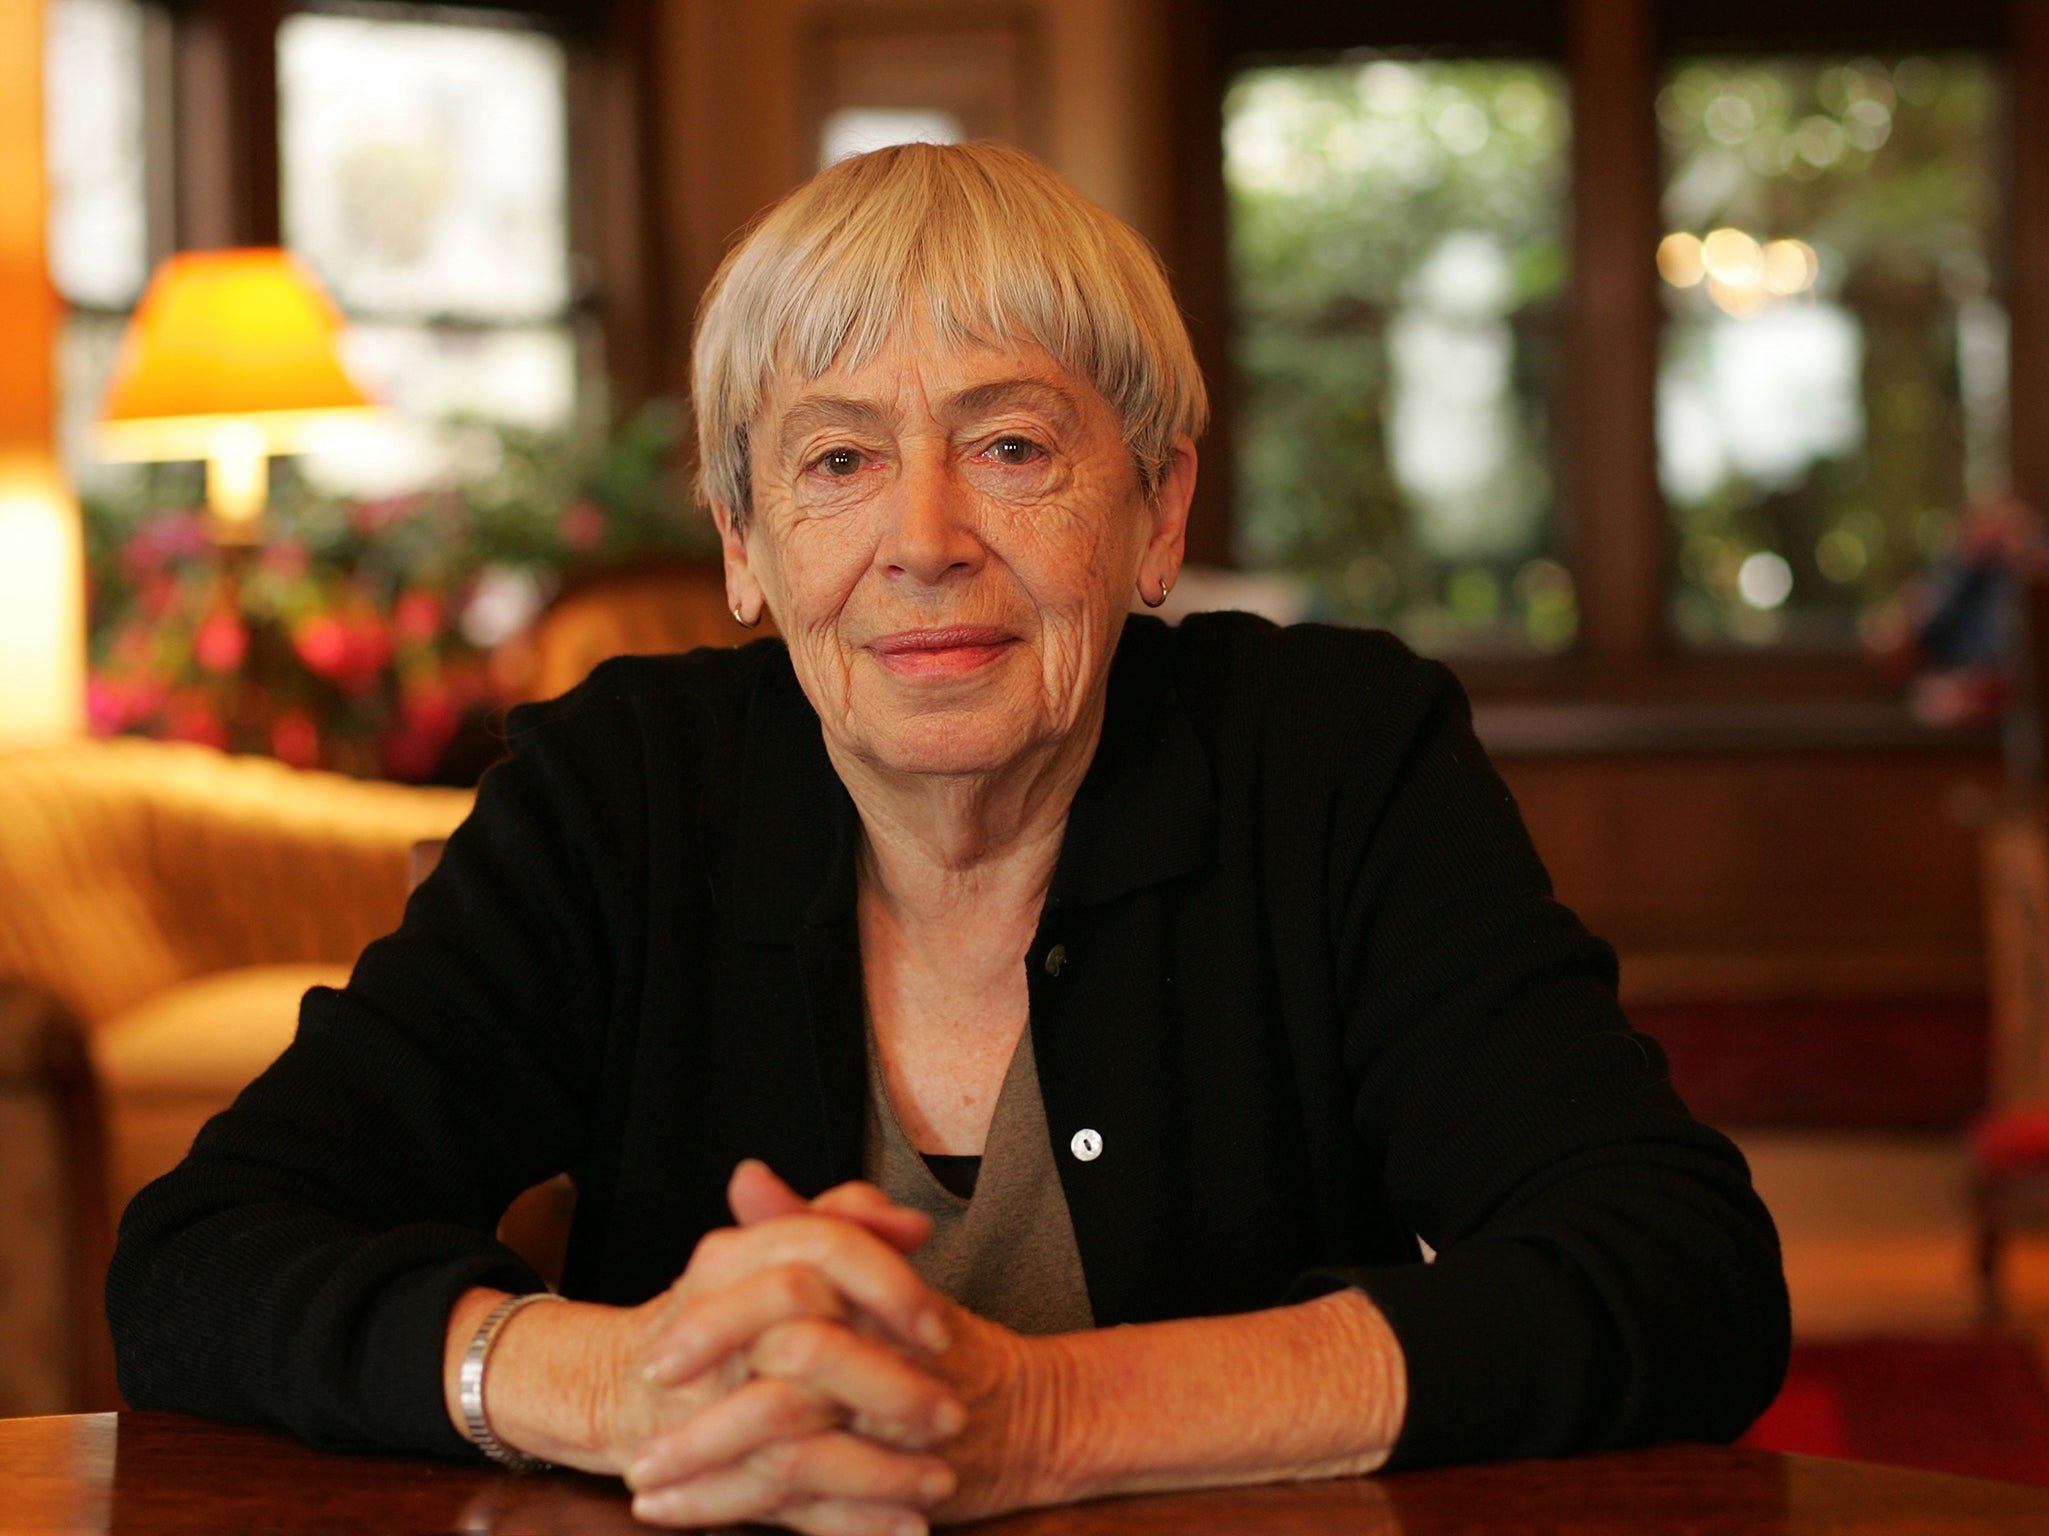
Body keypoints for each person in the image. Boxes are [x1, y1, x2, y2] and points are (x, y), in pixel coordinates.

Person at [107, 143, 1789, 1534]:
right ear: (746, 546)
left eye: (1008, 445)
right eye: (837, 458)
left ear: (1158, 510)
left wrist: (1041, 1414)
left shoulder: (1330, 761)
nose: (924, 539)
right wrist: (622, 1381)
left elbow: (1676, 1275)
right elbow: (202, 1263)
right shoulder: (623, 786)